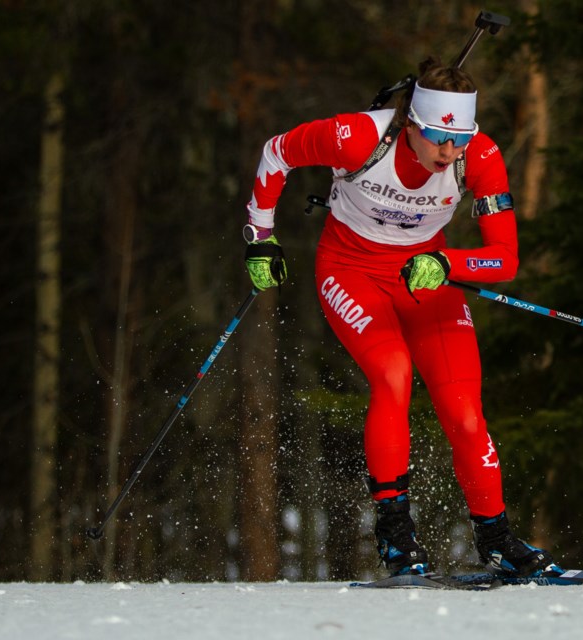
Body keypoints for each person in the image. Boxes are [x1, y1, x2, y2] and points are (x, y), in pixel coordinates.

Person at [241, 57, 557, 578]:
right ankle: (395, 539)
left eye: (459, 140)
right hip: (350, 271)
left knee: (465, 413)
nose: (450, 152)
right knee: (393, 374)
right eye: (438, 138)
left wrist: (446, 263)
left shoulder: (479, 157)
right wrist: (260, 236)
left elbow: (505, 257)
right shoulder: (354, 137)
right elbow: (278, 151)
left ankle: (497, 540)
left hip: (424, 275)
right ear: (411, 123)